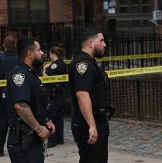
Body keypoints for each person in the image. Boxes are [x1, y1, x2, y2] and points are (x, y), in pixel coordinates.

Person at [6, 37, 55, 163]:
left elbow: (36, 104)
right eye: (39, 50)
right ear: (30, 53)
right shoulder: (20, 75)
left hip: (32, 140)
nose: (43, 53)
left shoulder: (31, 74)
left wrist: (46, 121)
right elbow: (21, 106)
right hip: (24, 141)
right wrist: (40, 129)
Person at [69, 29, 114, 163]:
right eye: (101, 41)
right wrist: (92, 126)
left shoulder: (91, 63)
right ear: (90, 43)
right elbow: (82, 95)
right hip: (88, 123)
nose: (104, 44)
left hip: (98, 120)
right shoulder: (83, 64)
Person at [42, 46, 67, 148]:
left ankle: (52, 140)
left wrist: (44, 69)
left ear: (54, 54)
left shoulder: (54, 66)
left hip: (53, 93)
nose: (49, 55)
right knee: (59, 117)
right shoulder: (63, 63)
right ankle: (60, 139)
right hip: (60, 93)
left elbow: (46, 77)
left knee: (51, 116)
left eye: (50, 54)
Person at [0, 36, 18, 157]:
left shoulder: (1, 58)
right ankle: (16, 146)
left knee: (2, 121)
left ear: (3, 46)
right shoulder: (19, 58)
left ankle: (0, 149)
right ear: (15, 45)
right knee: (18, 120)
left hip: (2, 94)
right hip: (19, 93)